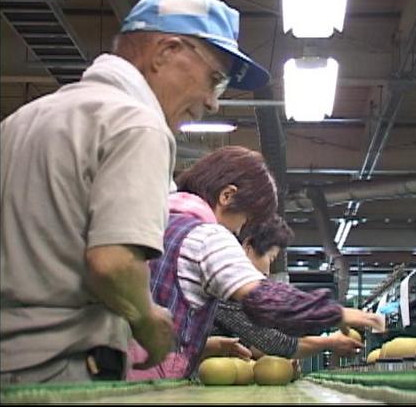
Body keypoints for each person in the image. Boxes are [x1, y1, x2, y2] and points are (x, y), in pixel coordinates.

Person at [0, 0, 271, 384]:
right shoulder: (138, 126)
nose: (213, 102)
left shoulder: (21, 121)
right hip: (60, 373)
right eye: (215, 80)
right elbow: (113, 265)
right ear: (166, 52)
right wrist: (147, 319)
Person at [126, 146, 385, 381]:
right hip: (152, 384)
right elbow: (265, 298)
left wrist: (206, 346)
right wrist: (336, 313)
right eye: (246, 218)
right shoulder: (207, 237)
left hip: (113, 376)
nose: (240, 229)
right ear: (227, 196)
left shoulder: (154, 221)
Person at [208, 215, 365, 362]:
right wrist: (330, 342)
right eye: (271, 259)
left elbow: (253, 345)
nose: (267, 272)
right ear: (248, 247)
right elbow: (274, 342)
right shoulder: (225, 283)